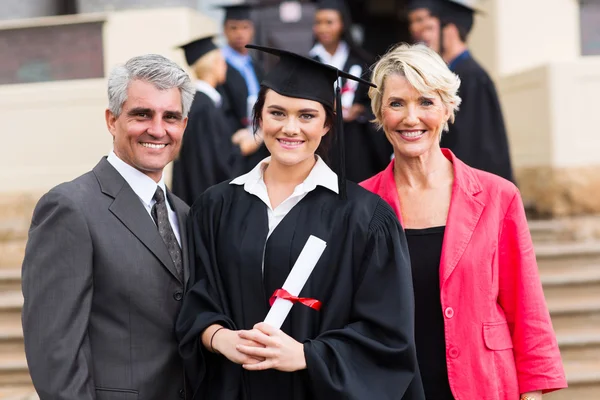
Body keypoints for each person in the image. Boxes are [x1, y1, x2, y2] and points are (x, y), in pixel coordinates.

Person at [176, 44, 424, 400]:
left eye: (307, 115)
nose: (290, 128)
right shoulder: (215, 206)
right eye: (277, 112)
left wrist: (308, 355)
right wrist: (219, 338)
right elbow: (194, 301)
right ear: (257, 118)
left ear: (327, 124)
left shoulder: (364, 217)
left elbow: (388, 335)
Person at [361, 43, 567, 400]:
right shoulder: (360, 204)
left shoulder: (497, 196)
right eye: (396, 103)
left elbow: (526, 305)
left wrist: (533, 393)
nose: (411, 118)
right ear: (380, 112)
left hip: (482, 382)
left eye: (426, 101)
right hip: (391, 387)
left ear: (447, 108)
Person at [21, 54, 195, 400]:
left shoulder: (186, 215)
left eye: (170, 117)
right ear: (112, 120)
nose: (158, 130)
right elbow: (55, 351)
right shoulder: (70, 208)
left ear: (183, 126)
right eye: (142, 114)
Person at [407, 0, 514, 182]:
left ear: (451, 29)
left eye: (429, 29)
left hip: (470, 184)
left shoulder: (472, 77)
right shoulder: (450, 75)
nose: (422, 36)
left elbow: (474, 145)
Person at [310, 0, 392, 182]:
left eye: (329, 22)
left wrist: (360, 110)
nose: (323, 28)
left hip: (356, 143)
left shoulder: (362, 61)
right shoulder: (308, 64)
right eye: (318, 22)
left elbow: (376, 102)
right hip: (321, 142)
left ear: (342, 24)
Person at [172, 35, 242, 206]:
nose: (226, 66)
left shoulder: (198, 103)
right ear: (215, 65)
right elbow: (209, 162)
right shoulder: (204, 108)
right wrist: (241, 149)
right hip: (204, 199)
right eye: (223, 62)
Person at [218, 3, 269, 171]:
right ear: (224, 30)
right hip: (237, 145)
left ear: (252, 30)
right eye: (234, 28)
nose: (240, 33)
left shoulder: (256, 66)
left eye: (245, 27)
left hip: (260, 141)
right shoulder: (219, 66)